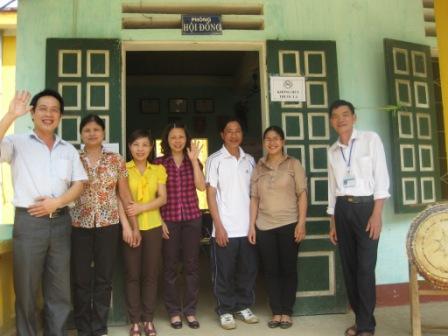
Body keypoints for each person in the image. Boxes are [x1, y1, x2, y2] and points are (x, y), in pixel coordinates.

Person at [0, 90, 87, 336]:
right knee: (26, 289)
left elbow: (79, 184)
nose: (48, 114)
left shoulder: (68, 150)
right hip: (29, 223)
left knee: (59, 291)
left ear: (60, 116)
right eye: (43, 108)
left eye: (54, 110)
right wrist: (9, 115)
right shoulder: (17, 142)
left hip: (60, 223)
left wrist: (57, 202)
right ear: (32, 112)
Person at [70, 114, 139, 336]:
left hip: (108, 225)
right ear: (81, 134)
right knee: (80, 278)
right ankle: (82, 326)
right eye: (87, 130)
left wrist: (133, 225)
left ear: (103, 134)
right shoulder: (73, 158)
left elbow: (124, 193)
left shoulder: (116, 159)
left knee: (104, 277)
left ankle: (99, 327)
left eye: (96, 130)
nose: (91, 133)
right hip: (78, 225)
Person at [327, 100, 390, 336]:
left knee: (365, 268)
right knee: (350, 268)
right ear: (332, 122)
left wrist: (377, 214)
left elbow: (381, 179)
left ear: (354, 117)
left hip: (366, 209)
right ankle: (362, 320)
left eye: (345, 114)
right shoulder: (332, 151)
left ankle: (366, 326)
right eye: (335, 116)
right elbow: (333, 189)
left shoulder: (370, 140)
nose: (340, 119)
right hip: (343, 209)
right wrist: (333, 222)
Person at [248, 125, 307, 329]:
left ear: (283, 142)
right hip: (264, 226)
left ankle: (287, 312)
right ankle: (276, 311)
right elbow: (254, 198)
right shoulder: (258, 166)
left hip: (289, 224)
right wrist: (252, 226)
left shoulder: (293, 164)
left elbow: (302, 194)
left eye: (276, 139)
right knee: (271, 271)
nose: (272, 143)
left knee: (288, 270)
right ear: (264, 143)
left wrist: (301, 223)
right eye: (268, 139)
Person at [205, 117, 258, 330]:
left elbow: (254, 195)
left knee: (247, 270)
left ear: (242, 134)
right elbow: (210, 194)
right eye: (229, 131)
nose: (234, 135)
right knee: (224, 272)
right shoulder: (214, 159)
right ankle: (225, 309)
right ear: (222, 135)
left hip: (247, 227)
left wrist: (253, 225)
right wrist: (218, 225)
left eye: (237, 131)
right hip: (225, 227)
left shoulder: (250, 160)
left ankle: (243, 305)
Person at [154, 123, 205, 329]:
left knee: (192, 266)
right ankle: (174, 311)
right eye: (173, 137)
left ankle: (190, 311)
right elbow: (154, 196)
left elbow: (201, 186)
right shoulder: (159, 163)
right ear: (167, 140)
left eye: (181, 137)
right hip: (169, 220)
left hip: (192, 219)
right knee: (170, 267)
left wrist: (194, 162)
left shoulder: (194, 161)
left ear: (187, 139)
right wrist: (160, 221)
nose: (177, 141)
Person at [123, 129, 167, 336]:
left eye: (145, 145)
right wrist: (128, 227)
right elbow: (119, 200)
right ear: (129, 146)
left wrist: (142, 208)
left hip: (153, 227)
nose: (140, 149)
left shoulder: (158, 170)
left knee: (150, 275)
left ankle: (148, 319)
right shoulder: (122, 169)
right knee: (132, 275)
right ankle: (134, 321)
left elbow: (162, 198)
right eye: (136, 144)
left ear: (151, 148)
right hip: (132, 230)